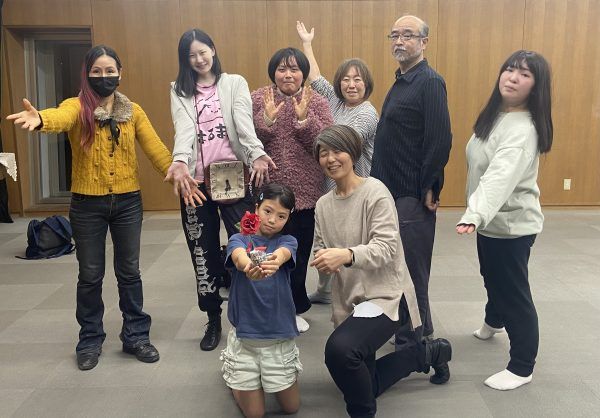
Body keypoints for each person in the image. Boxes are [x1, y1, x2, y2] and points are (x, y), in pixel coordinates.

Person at [7, 45, 190, 370]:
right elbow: (60, 117)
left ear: (120, 74)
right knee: (90, 274)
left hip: (128, 202)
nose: (103, 77)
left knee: (129, 272)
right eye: (96, 72)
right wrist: (41, 119)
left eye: (109, 71)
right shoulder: (77, 107)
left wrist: (174, 168)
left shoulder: (133, 111)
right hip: (86, 205)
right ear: (87, 74)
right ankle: (89, 340)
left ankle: (136, 336)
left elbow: (155, 147)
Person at [311, 125, 452, 418]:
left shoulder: (375, 192)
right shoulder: (323, 205)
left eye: (337, 150)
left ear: (353, 153)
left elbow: (387, 248)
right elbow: (321, 247)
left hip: (386, 295)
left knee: (340, 352)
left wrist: (347, 254)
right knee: (363, 381)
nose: (330, 159)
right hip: (350, 301)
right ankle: (428, 353)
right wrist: (322, 258)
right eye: (323, 153)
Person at [165, 29, 276, 351]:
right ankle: (213, 317)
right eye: (191, 55)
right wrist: (180, 161)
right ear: (185, 60)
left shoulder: (234, 83)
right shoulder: (178, 90)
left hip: (234, 179)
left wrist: (256, 152)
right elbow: (184, 129)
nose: (199, 59)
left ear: (213, 50)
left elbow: (243, 123)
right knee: (203, 251)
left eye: (203, 52)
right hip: (196, 185)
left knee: (250, 242)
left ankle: (253, 313)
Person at [456, 50, 553, 391]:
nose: (513, 77)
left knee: (512, 292)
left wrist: (475, 213)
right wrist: (480, 214)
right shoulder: (497, 115)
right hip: (491, 221)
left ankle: (522, 366)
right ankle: (493, 320)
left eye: (524, 74)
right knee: (491, 275)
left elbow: (499, 176)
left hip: (511, 227)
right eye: (510, 69)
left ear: (536, 86)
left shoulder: (522, 129)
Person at [370, 15, 452, 344]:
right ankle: (416, 327)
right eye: (395, 35)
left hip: (411, 194)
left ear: (424, 42)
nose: (400, 41)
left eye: (408, 35)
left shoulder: (429, 82)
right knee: (397, 264)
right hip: (391, 190)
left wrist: (430, 185)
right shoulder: (403, 80)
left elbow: (440, 139)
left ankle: (413, 341)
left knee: (410, 268)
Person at [296, 20, 379, 305]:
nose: (351, 84)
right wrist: (307, 43)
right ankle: (324, 290)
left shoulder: (367, 113)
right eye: (346, 79)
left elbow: (344, 142)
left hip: (355, 187)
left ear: (366, 84)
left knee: (351, 242)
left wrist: (308, 127)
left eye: (357, 80)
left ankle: (357, 295)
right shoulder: (335, 101)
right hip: (329, 186)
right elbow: (315, 77)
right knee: (325, 239)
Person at [251, 47, 333, 332]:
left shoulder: (317, 101)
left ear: (303, 73)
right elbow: (247, 140)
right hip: (266, 192)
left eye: (295, 69)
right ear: (273, 72)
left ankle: (293, 307)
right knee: (263, 252)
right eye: (282, 69)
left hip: (305, 195)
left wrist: (303, 121)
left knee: (297, 254)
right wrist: (266, 121)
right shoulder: (258, 98)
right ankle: (265, 306)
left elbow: (325, 145)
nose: (288, 74)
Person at [222, 183, 302, 418]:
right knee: (255, 414)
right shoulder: (238, 238)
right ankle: (234, 375)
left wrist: (274, 261)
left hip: (278, 338)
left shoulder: (288, 241)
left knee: (291, 407)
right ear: (256, 207)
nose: (272, 220)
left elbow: (282, 254)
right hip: (246, 337)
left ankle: (258, 378)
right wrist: (249, 266)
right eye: (268, 211)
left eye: (281, 216)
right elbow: (239, 257)